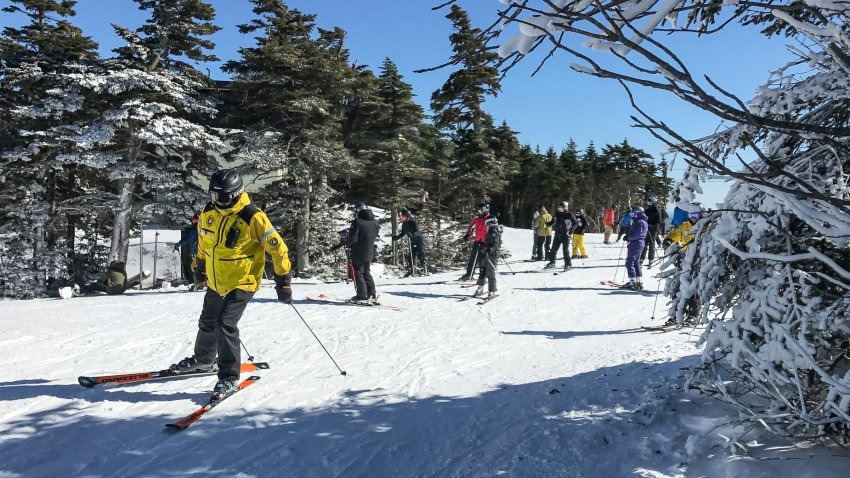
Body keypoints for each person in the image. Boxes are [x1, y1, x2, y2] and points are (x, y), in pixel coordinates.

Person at [170, 168, 292, 400]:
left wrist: (283, 281)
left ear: (236, 194)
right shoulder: (209, 212)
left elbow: (278, 249)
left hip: (243, 280)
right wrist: (199, 267)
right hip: (217, 281)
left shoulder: (252, 216)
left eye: (223, 197)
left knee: (225, 323)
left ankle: (228, 376)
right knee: (207, 321)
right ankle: (204, 360)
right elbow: (204, 245)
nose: (217, 201)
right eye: (214, 196)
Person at [347, 202, 380, 304]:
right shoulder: (375, 222)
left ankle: (361, 296)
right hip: (370, 251)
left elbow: (354, 238)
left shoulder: (357, 222)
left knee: (358, 273)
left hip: (358, 252)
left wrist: (347, 243)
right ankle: (372, 294)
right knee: (366, 272)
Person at [460, 203, 491, 280]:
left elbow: (493, 229)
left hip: (485, 242)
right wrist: (467, 234)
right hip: (477, 241)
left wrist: (492, 240)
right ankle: (469, 274)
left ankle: (483, 276)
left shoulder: (489, 218)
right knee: (473, 258)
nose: (478, 211)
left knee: (483, 259)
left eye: (480, 210)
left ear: (485, 210)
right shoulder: (476, 218)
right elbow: (471, 226)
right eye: (478, 210)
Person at [544, 201, 577, 271]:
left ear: (565, 208)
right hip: (557, 234)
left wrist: (571, 231)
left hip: (566, 235)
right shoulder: (557, 214)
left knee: (565, 250)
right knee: (553, 250)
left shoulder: (569, 215)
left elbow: (575, 224)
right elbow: (553, 221)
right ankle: (552, 263)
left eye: (561, 207)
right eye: (558, 207)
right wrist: (548, 224)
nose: (559, 209)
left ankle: (568, 264)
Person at [392, 209, 426, 277]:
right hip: (412, 241)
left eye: (403, 217)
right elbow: (403, 233)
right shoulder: (404, 224)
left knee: (420, 254)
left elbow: (417, 231)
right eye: (401, 217)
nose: (402, 218)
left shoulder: (413, 222)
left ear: (407, 216)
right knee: (410, 256)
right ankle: (411, 270)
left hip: (419, 240)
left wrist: (412, 234)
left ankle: (424, 269)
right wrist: (396, 237)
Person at [474, 216, 501, 300]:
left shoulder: (494, 231)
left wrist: (490, 249)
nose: (486, 225)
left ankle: (492, 291)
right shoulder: (490, 230)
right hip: (486, 254)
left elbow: (496, 244)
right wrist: (482, 246)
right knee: (482, 270)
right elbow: (488, 242)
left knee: (490, 272)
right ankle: (480, 287)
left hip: (492, 255)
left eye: (487, 223)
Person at [624, 206, 649, 290]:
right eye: (632, 213)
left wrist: (629, 238)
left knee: (630, 262)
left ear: (638, 213)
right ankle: (637, 281)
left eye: (634, 213)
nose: (632, 215)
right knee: (635, 262)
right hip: (637, 242)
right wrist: (629, 236)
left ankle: (632, 280)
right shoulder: (639, 221)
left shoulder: (640, 222)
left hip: (636, 243)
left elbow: (639, 234)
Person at [174, 214, 200, 286]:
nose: (194, 222)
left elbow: (188, 238)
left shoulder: (195, 230)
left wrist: (179, 243)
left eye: (195, 220)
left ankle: (199, 282)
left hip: (198, 251)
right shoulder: (205, 228)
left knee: (195, 266)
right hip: (206, 251)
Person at [641, 197, 662, 267]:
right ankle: (641, 258)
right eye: (647, 201)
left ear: (653, 202)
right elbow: (643, 217)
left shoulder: (657, 211)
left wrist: (652, 226)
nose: (647, 203)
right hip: (646, 229)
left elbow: (658, 222)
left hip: (653, 230)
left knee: (651, 245)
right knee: (644, 244)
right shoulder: (646, 210)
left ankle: (651, 259)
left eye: (649, 201)